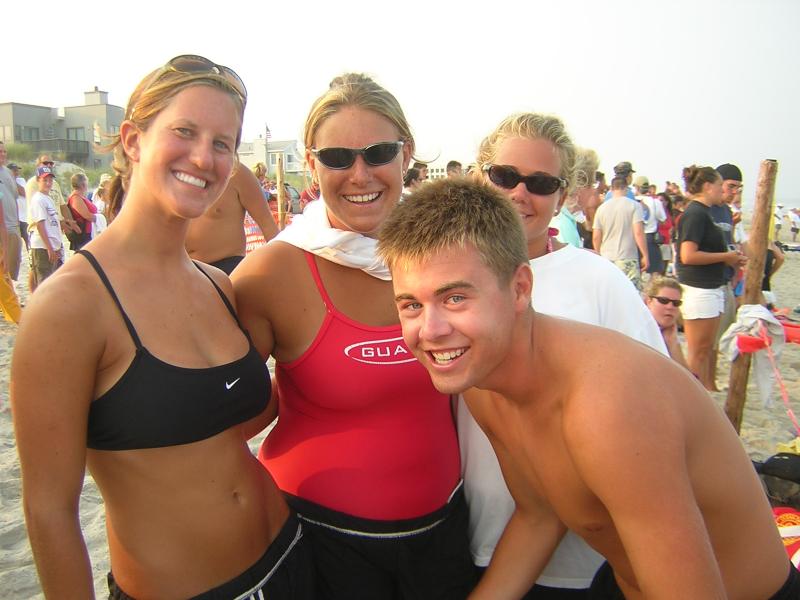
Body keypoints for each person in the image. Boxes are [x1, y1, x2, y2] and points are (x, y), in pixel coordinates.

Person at [378, 177, 798, 600]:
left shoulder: (607, 406)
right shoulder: (482, 380)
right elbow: (540, 514)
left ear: (520, 288)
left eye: (454, 298)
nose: (430, 330)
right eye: (412, 304)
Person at [12, 55, 312, 599]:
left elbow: (217, 421)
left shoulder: (218, 286)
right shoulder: (69, 306)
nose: (203, 157)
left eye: (222, 143)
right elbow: (49, 510)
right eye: (185, 131)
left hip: (289, 559)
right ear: (133, 140)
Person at [232, 72, 475, 599]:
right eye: (338, 158)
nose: (359, 174)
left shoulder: (449, 256)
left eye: (378, 153)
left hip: (444, 534)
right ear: (311, 162)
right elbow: (222, 419)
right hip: (320, 541)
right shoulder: (271, 274)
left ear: (406, 154)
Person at [465, 112, 667, 598]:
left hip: (583, 557)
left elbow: (657, 401)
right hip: (475, 533)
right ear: (480, 177)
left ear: (563, 195)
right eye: (505, 176)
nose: (520, 193)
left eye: (540, 183)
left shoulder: (599, 281)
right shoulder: (449, 274)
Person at [676, 165, 747, 391]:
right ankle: (689, 394)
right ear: (707, 187)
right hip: (699, 288)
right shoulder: (696, 214)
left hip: (710, 287)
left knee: (706, 348)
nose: (722, 191)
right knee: (698, 351)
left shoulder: (704, 213)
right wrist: (726, 257)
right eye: (719, 185)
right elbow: (688, 255)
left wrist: (730, 259)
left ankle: (700, 391)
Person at [185, 165, 279, 274]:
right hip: (178, 269)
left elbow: (268, 225)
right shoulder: (175, 172)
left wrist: (282, 269)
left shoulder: (237, 174)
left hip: (226, 268)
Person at [593, 175, 649, 289]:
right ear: (626, 188)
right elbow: (638, 232)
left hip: (606, 258)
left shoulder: (601, 208)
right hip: (627, 256)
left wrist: (598, 254)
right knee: (631, 293)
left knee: (609, 293)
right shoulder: (634, 206)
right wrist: (645, 255)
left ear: (611, 189)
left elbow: (596, 237)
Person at [27, 165, 63, 288]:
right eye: (45, 180)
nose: (48, 183)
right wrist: (49, 248)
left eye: (50, 180)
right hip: (42, 247)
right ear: (38, 180)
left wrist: (57, 246)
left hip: (51, 246)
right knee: (43, 284)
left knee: (51, 282)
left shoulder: (48, 199)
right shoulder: (38, 199)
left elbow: (53, 224)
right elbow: (40, 225)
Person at [644, 275, 689, 368]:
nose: (670, 307)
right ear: (649, 301)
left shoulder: (670, 334)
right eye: (663, 301)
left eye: (676, 303)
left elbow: (684, 375)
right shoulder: (637, 331)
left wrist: (673, 344)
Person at [66, 172, 98, 251]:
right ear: (83, 184)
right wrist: (101, 218)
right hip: (83, 234)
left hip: (88, 232)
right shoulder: (76, 198)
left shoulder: (80, 196)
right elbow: (86, 215)